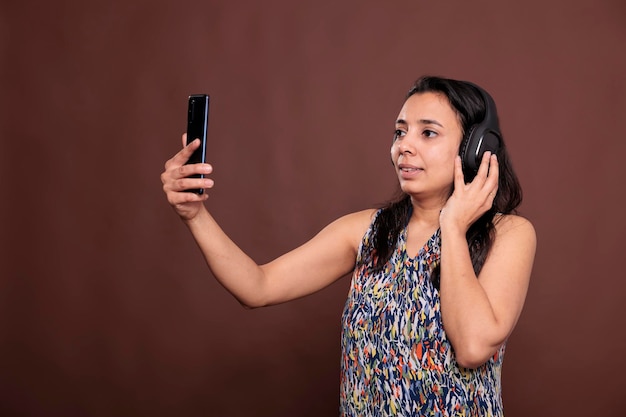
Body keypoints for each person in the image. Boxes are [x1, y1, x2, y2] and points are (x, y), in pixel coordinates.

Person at [161, 75, 536, 416]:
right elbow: (257, 286)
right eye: (399, 132)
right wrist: (195, 215)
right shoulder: (366, 231)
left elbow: (473, 347)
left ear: (475, 148)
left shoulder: (509, 235)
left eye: (428, 133)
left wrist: (452, 226)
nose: (404, 146)